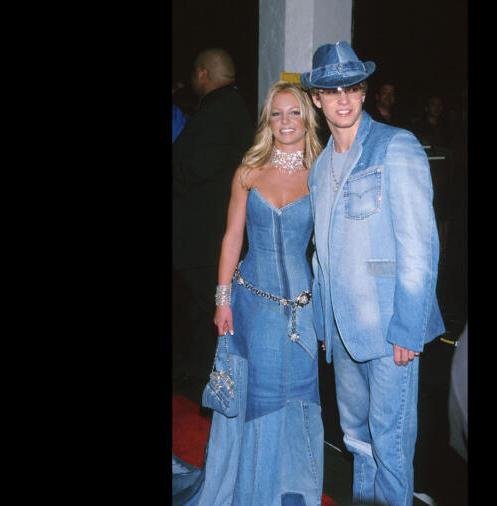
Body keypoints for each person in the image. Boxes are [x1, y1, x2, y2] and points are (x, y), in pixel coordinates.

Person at [301, 41, 445, 506]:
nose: (343, 98)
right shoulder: (320, 169)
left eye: (352, 87)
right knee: (355, 438)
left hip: (390, 332)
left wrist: (409, 326)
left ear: (363, 93)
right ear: (317, 99)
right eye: (332, 89)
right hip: (342, 333)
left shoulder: (395, 146)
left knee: (391, 444)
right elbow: (322, 255)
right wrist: (325, 325)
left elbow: (420, 248)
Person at [172, 80, 326, 506]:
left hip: (300, 309)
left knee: (294, 396)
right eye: (276, 114)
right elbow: (231, 238)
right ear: (267, 121)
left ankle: (288, 488)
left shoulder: (323, 172)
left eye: (294, 112)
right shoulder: (249, 170)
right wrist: (222, 302)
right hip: (251, 304)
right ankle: (252, 490)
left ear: (307, 117)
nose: (285, 121)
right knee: (256, 396)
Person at [172, 48, 254, 384]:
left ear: (203, 73)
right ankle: (200, 376)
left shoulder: (218, 111)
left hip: (206, 239)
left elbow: (194, 169)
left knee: (214, 311)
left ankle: (217, 379)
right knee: (202, 311)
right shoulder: (234, 107)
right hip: (214, 234)